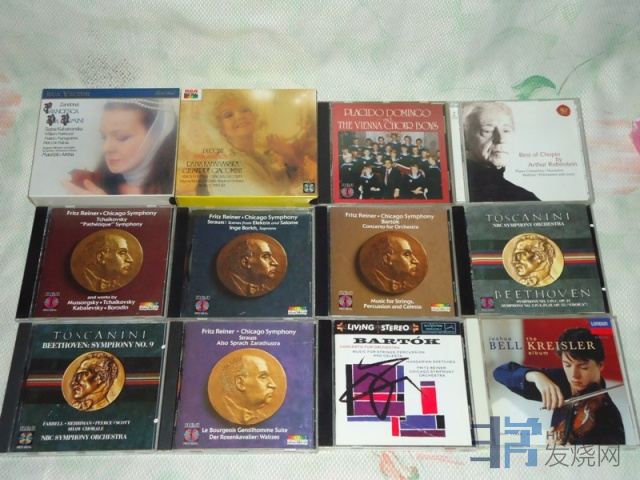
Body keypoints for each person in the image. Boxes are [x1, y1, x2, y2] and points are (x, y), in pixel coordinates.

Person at [493, 328, 625, 445]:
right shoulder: (561, 379)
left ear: (600, 365)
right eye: (567, 365)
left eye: (583, 367)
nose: (574, 375)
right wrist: (535, 376)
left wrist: (563, 453)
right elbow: (500, 372)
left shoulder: (610, 419)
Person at [209, 91, 315, 195]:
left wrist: (289, 156)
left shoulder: (256, 157)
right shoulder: (228, 168)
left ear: (254, 115)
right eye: (228, 115)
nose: (239, 116)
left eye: (245, 110)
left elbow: (284, 182)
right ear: (220, 128)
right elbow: (273, 201)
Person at [65, 98, 177, 195]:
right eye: (104, 137)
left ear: (157, 135)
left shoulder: (179, 189)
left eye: (121, 137)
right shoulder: (94, 185)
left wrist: (105, 208)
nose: (106, 148)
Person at [463, 102, 539, 202]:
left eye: (506, 130)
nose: (501, 139)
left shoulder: (525, 198)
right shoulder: (457, 191)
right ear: (464, 138)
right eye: (487, 130)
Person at [220, 354, 277, 425]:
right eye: (263, 376)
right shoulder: (222, 409)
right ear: (240, 383)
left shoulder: (261, 416)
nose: (273, 385)